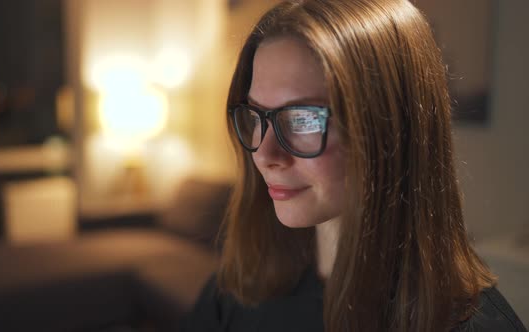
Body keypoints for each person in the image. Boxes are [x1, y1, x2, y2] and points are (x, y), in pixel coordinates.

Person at [181, 0, 527, 331]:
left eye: (302, 119)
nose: (264, 154)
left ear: (391, 129)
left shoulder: (472, 325)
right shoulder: (239, 291)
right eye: (257, 116)